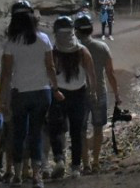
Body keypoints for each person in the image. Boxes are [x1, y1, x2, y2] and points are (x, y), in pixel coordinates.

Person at [0, 0, 60, 188]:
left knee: (19, 133)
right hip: (42, 93)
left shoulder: (11, 44)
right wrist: (56, 89)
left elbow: (7, 74)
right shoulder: (43, 39)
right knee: (36, 133)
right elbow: (50, 67)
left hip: (20, 94)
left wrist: (2, 98)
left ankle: (17, 175)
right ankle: (37, 176)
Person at [46, 15, 98, 179]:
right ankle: (75, 167)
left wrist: (52, 89)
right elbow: (91, 74)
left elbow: (49, 72)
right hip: (79, 94)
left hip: (58, 93)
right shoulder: (82, 51)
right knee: (76, 131)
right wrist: (93, 91)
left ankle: (59, 158)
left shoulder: (54, 52)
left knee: (55, 128)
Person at [74, 11, 119, 174]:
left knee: (80, 129)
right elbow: (110, 73)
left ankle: (84, 163)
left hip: (79, 94)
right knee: (98, 128)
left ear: (76, 30)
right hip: (99, 92)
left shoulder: (73, 50)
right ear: (91, 29)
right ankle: (95, 162)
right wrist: (117, 93)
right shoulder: (102, 46)